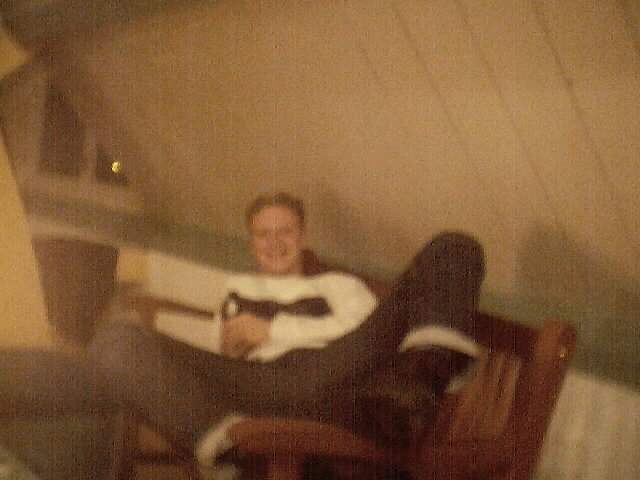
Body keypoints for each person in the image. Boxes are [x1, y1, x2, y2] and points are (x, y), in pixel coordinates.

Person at [88, 192, 485, 477]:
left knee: (453, 246)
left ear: (303, 236)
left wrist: (273, 329)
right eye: (263, 234)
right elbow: (207, 364)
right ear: (251, 242)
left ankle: (422, 381)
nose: (275, 243)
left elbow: (363, 338)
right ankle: (225, 445)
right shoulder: (235, 289)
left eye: (286, 232)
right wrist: (225, 348)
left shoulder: (337, 284)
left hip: (331, 378)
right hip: (254, 389)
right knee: (116, 338)